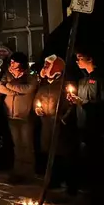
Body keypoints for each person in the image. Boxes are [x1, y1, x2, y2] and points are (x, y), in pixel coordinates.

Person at [69, 47, 104, 204]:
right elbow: (82, 102)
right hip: (84, 126)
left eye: (80, 57)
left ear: (90, 59)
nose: (77, 61)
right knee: (88, 159)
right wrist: (74, 100)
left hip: (98, 128)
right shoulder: (83, 80)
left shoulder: (101, 79)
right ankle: (91, 189)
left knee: (101, 160)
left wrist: (83, 103)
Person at [34, 55, 77, 195]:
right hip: (46, 124)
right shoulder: (45, 85)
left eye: (48, 66)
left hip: (60, 126)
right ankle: (54, 180)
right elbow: (37, 99)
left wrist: (64, 118)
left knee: (64, 154)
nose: (44, 68)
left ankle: (71, 184)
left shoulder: (64, 85)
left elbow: (72, 105)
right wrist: (37, 108)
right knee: (49, 153)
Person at [0, 52, 37, 184]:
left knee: (27, 145)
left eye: (14, 61)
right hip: (11, 114)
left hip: (25, 115)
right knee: (17, 145)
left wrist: (9, 86)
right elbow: (0, 87)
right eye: (11, 61)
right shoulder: (7, 73)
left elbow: (28, 88)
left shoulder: (30, 74)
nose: (12, 63)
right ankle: (18, 171)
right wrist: (14, 91)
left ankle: (28, 173)